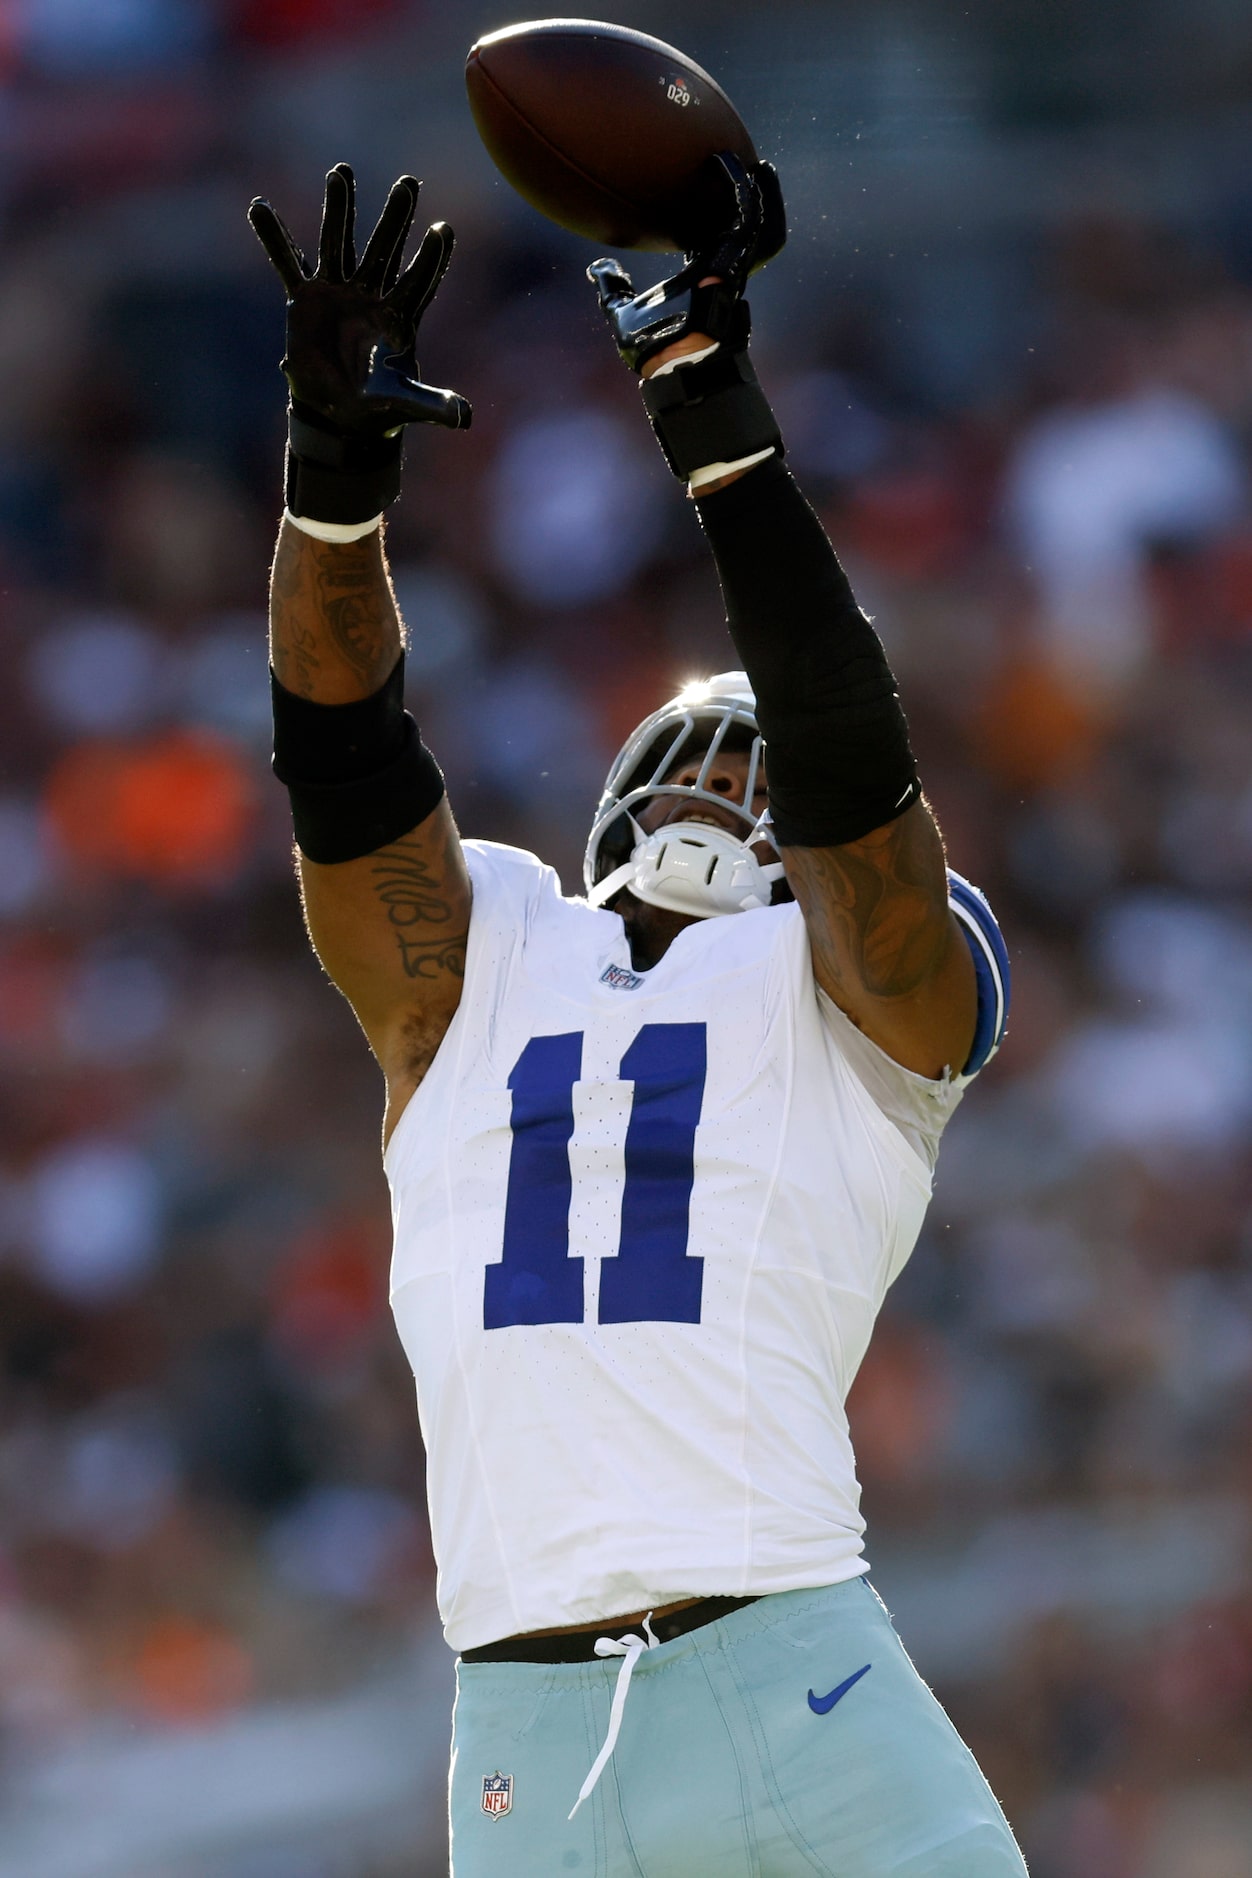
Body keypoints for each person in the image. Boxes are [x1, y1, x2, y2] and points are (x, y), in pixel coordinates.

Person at [249, 158, 1026, 1877]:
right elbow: (345, 762)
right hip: (528, 1739)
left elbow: (859, 774)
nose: (734, 792)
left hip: (797, 1666)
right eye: (709, 755)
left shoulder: (862, 997)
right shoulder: (482, 951)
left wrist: (715, 418)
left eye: (770, 782)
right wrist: (331, 487)